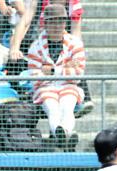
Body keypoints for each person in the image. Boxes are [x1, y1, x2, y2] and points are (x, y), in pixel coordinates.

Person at [26, 3, 84, 151]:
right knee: (52, 108)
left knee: (67, 106)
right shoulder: (35, 47)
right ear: (45, 23)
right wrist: (65, 68)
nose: (57, 25)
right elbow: (34, 77)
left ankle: (62, 136)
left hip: (68, 87)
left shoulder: (75, 43)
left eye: (61, 21)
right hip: (45, 88)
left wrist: (51, 71)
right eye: (53, 21)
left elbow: (78, 76)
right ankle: (65, 136)